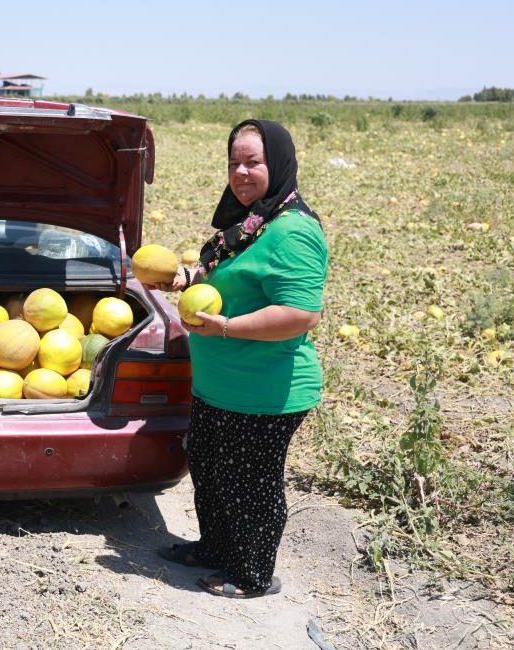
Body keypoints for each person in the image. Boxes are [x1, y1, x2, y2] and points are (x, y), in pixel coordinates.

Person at [153, 119, 328, 598]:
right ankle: (214, 549)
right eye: (234, 162)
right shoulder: (252, 224)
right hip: (219, 383)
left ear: (279, 163)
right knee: (209, 468)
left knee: (249, 486)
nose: (241, 172)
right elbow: (227, 278)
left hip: (264, 391)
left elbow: (299, 314)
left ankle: (251, 575)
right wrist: (187, 278)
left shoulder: (293, 232)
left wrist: (225, 327)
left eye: (253, 161)